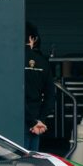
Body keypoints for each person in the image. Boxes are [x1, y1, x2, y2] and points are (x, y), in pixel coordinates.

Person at [24, 22, 56, 151]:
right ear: (32, 39)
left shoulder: (12, 60)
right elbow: (50, 95)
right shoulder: (42, 61)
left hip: (18, 119)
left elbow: (14, 95)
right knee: (32, 158)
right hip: (37, 122)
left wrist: (32, 121)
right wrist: (40, 120)